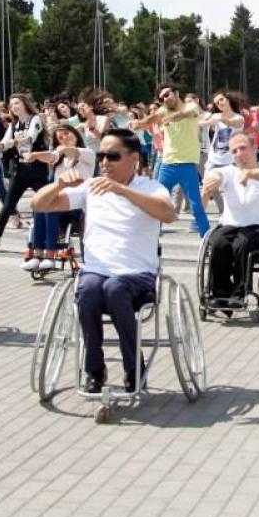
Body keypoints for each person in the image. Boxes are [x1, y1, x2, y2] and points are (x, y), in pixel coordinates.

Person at [32, 129, 175, 393]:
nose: (105, 162)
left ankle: (134, 367)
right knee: (87, 290)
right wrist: (59, 185)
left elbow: (168, 214)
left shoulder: (151, 187)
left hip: (137, 273)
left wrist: (122, 190)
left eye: (112, 155)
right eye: (101, 156)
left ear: (133, 158)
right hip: (97, 271)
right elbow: (40, 204)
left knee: (115, 288)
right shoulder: (91, 186)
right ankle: (94, 369)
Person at [200, 132, 259, 312]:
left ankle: (240, 293)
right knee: (218, 242)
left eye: (243, 148)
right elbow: (217, 176)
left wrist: (251, 173)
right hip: (230, 225)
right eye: (234, 151)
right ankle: (219, 294)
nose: (239, 153)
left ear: (254, 149)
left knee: (242, 243)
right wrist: (210, 184)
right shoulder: (228, 172)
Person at [133, 84, 210, 237]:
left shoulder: (192, 106)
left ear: (176, 93)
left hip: (187, 164)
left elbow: (186, 114)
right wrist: (138, 124)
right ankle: (150, 235)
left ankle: (207, 239)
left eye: (167, 95)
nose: (165, 99)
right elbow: (150, 119)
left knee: (196, 205)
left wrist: (171, 117)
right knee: (157, 201)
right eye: (162, 98)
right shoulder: (163, 110)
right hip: (167, 164)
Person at [20, 122, 94, 272]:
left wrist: (62, 150)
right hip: (59, 202)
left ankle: (50, 255)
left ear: (75, 134)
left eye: (67, 134)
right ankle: (37, 254)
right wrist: (35, 155)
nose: (64, 138)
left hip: (77, 205)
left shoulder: (87, 153)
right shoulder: (60, 158)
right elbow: (50, 156)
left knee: (50, 206)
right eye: (60, 137)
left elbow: (70, 151)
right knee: (42, 206)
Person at [0, 94, 48, 251]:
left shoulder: (35, 119)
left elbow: (30, 139)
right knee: (8, 205)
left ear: (25, 104)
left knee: (45, 202)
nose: (14, 106)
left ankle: (57, 232)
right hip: (20, 169)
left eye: (17, 103)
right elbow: (5, 142)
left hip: (37, 168)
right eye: (11, 104)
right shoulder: (13, 125)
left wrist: (11, 143)